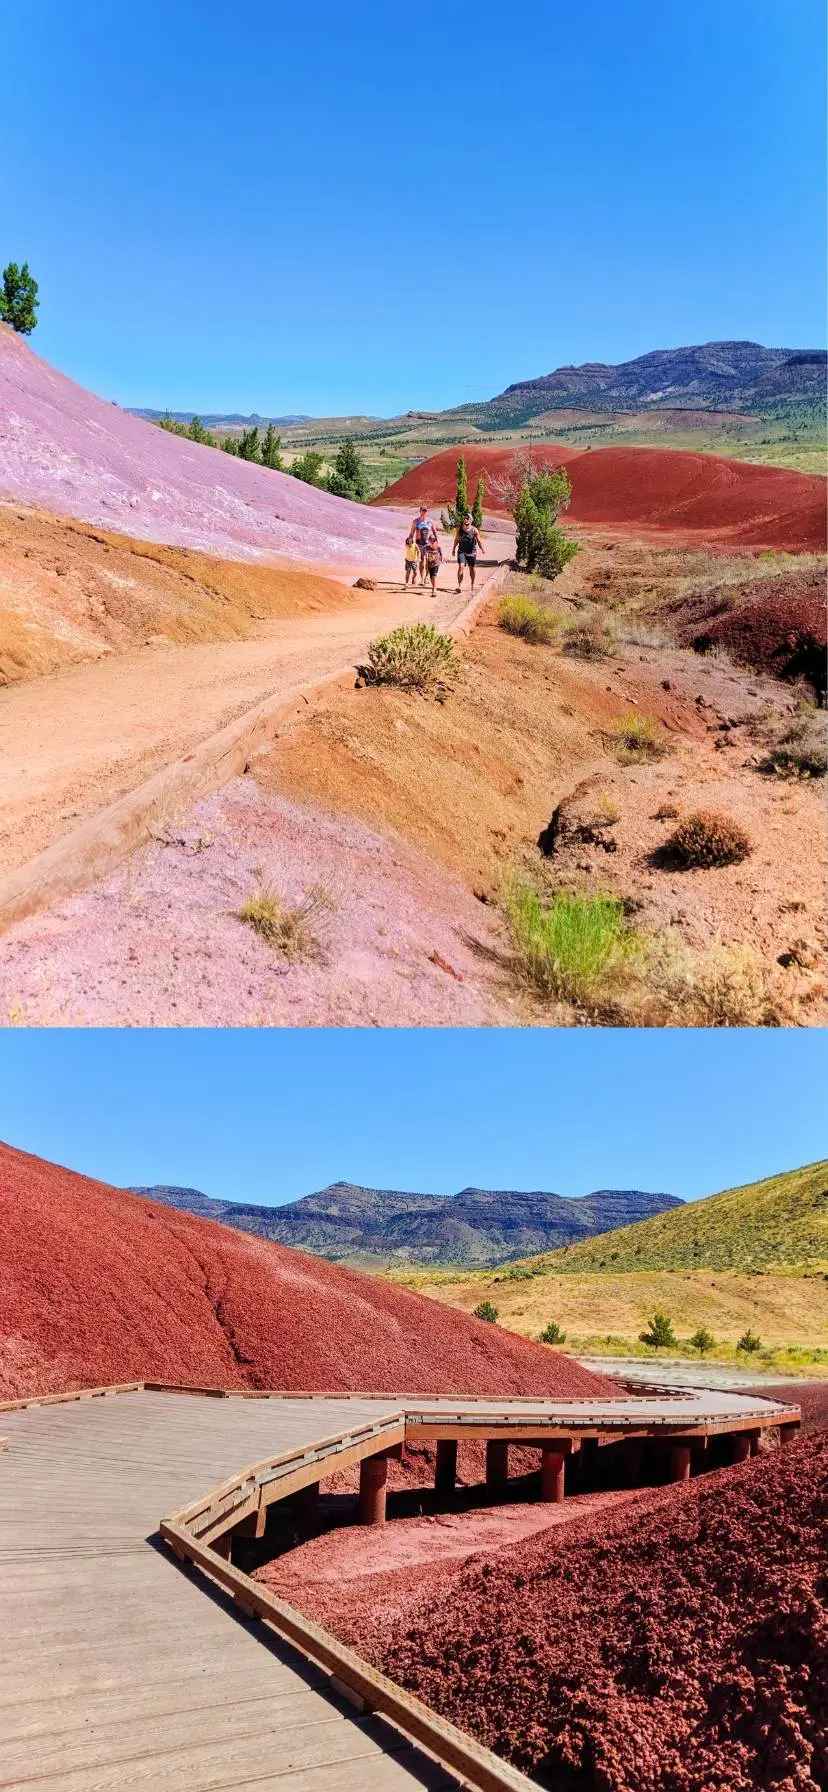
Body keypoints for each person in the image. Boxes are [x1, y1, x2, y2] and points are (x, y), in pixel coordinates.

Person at [453, 513, 484, 591]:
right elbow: (456, 539)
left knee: (472, 568)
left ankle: (472, 584)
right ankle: (459, 586)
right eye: (465, 518)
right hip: (461, 551)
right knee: (461, 567)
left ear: (471, 520)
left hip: (471, 552)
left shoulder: (474, 530)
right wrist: (453, 548)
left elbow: (479, 541)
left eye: (468, 518)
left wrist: (482, 549)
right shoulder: (459, 529)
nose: (466, 520)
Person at [408, 505, 436, 582]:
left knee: (428, 560)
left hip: (427, 544)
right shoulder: (416, 521)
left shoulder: (430, 522)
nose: (424, 512)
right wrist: (409, 541)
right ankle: (420, 576)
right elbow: (412, 533)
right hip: (418, 544)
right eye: (423, 511)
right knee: (420, 561)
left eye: (425, 511)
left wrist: (435, 543)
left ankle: (425, 577)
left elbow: (435, 532)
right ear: (420, 511)